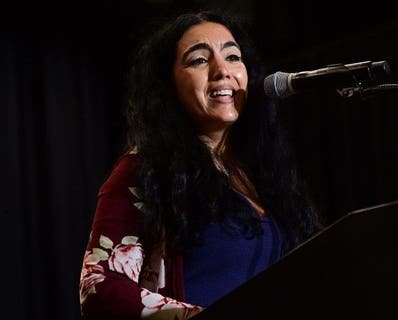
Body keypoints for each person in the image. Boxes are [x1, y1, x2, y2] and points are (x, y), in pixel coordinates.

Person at [78, 9, 322, 320]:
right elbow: (98, 287)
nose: (222, 70)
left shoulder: (263, 172)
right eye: (199, 60)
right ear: (168, 86)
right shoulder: (144, 168)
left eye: (233, 57)